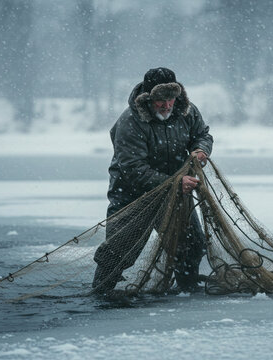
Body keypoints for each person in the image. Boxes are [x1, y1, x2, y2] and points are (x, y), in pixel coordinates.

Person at [92, 67, 213, 294]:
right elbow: (134, 169)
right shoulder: (130, 122)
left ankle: (187, 287)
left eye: (171, 98)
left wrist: (201, 149)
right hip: (132, 195)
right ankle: (101, 293)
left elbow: (203, 134)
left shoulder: (187, 111)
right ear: (147, 99)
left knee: (191, 244)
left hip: (177, 192)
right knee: (119, 249)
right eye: (160, 100)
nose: (167, 105)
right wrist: (177, 183)